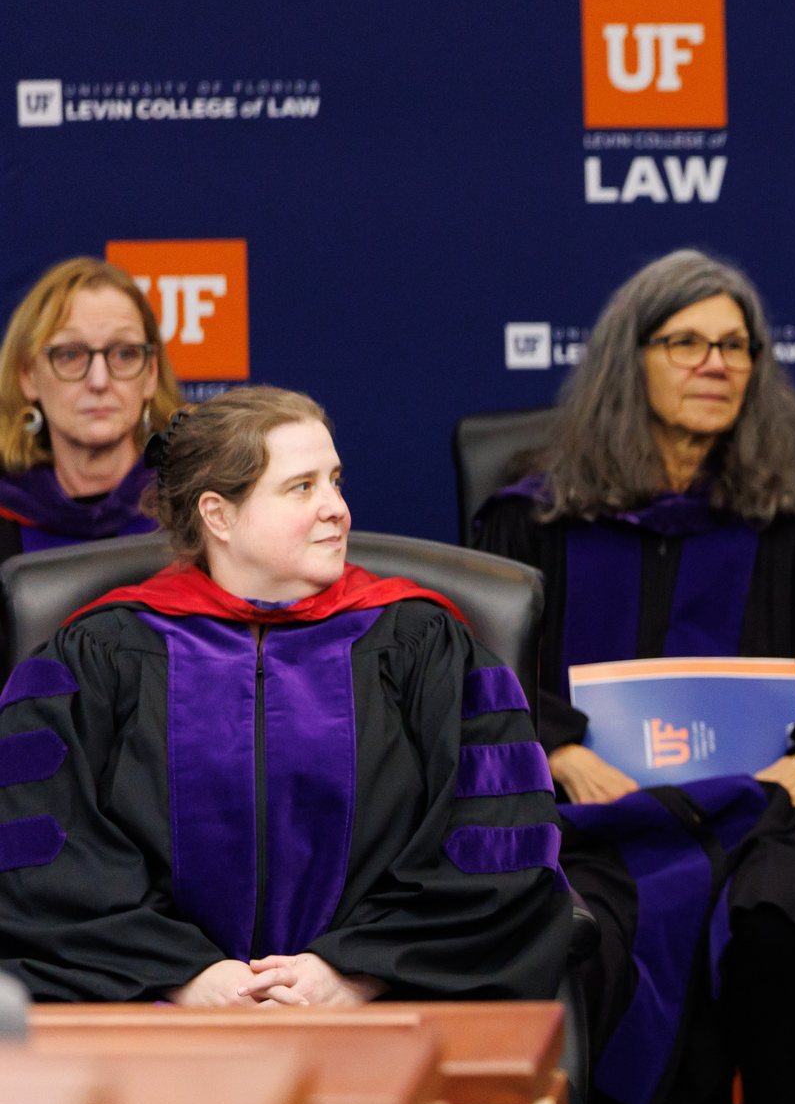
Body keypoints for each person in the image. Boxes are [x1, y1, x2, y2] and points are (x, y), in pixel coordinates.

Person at [472, 248, 795, 1104]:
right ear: (633, 360)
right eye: (686, 343)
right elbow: (485, 670)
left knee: (774, 911)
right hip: (605, 817)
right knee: (573, 917)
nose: (716, 363)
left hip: (776, 813)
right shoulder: (533, 510)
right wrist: (557, 748)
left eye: (735, 346)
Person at [0, 386, 571, 1004]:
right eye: (302, 487)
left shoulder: (423, 645)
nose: (337, 509)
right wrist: (184, 976)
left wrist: (356, 971)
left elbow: (498, 847)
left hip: (382, 1019)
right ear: (218, 514)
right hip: (153, 1027)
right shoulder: (98, 657)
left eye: (336, 481)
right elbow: (40, 864)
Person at [0, 258, 185, 554]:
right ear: (28, 376)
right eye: (70, 354)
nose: (99, 381)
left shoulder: (197, 511)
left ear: (151, 374)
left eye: (125, 354)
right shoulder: (8, 516)